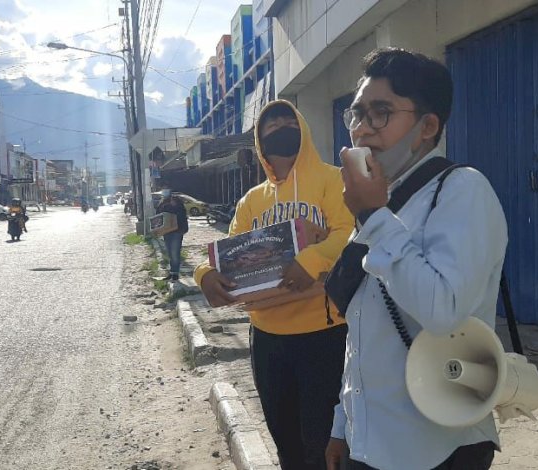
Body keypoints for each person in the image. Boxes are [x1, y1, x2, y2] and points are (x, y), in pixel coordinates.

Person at [326, 48, 508, 470]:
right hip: (369, 443)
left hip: (437, 447)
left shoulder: (462, 190)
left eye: (381, 113)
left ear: (428, 126)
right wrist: (342, 425)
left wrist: (373, 216)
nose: (361, 130)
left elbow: (443, 311)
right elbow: (365, 332)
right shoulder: (381, 203)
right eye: (356, 114)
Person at [194, 100, 355, 469]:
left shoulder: (333, 180)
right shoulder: (252, 200)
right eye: (271, 125)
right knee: (284, 439)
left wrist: (310, 260)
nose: (281, 127)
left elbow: (349, 235)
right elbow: (225, 253)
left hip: (325, 333)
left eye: (288, 120)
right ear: (260, 143)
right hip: (268, 337)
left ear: (302, 127)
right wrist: (204, 274)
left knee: (326, 441)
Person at [156, 188, 188, 281]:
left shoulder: (176, 201)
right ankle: (172, 272)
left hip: (177, 231)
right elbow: (158, 214)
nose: (164, 192)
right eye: (163, 190)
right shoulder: (162, 202)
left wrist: (175, 206)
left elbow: (182, 214)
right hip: (166, 231)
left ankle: (175, 274)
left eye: (166, 190)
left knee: (175, 253)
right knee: (170, 253)